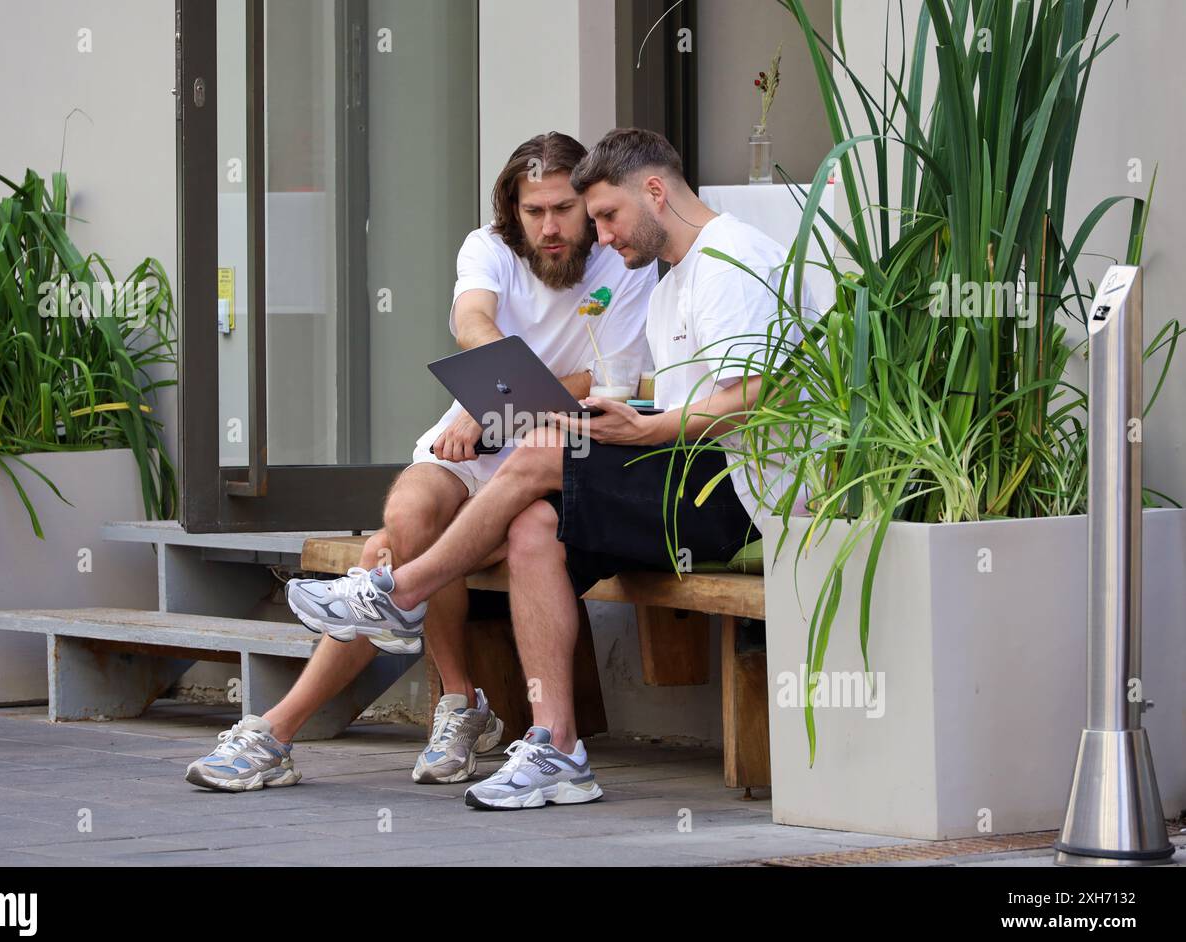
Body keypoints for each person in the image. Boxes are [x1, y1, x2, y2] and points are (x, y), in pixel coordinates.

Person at [301, 127, 816, 809]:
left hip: (743, 492)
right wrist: (600, 421)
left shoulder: (729, 263)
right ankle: (558, 748)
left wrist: (646, 427)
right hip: (692, 470)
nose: (601, 237)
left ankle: (400, 593)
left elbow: (762, 396)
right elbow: (672, 400)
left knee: (544, 452)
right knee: (534, 528)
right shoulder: (671, 284)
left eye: (605, 216)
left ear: (655, 191)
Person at [185, 131, 655, 792]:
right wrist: (496, 391)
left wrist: (497, 403)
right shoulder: (488, 247)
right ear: (512, 212)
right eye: (534, 211)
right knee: (408, 516)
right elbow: (472, 322)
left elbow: (611, 383)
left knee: (390, 561)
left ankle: (278, 732)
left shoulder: (623, 263)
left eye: (564, 208)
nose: (550, 227)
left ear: (588, 204)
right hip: (474, 432)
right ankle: (459, 701)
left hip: (554, 453)